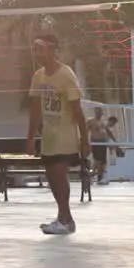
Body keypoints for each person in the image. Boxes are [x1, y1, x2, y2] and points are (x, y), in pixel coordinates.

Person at [26, 34, 89, 235]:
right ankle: (65, 219)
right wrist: (30, 138)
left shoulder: (66, 74)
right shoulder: (38, 76)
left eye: (40, 48)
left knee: (60, 174)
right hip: (48, 136)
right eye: (34, 49)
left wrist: (85, 140)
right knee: (52, 177)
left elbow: (78, 111)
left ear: (53, 50)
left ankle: (64, 218)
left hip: (66, 134)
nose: (37, 53)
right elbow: (35, 110)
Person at [87, 106, 114, 185]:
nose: (99, 113)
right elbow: (85, 131)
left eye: (100, 112)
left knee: (103, 161)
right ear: (95, 112)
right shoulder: (91, 121)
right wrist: (85, 142)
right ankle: (99, 177)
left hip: (103, 143)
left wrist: (114, 142)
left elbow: (108, 132)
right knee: (98, 161)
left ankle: (98, 176)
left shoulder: (103, 122)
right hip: (96, 142)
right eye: (97, 112)